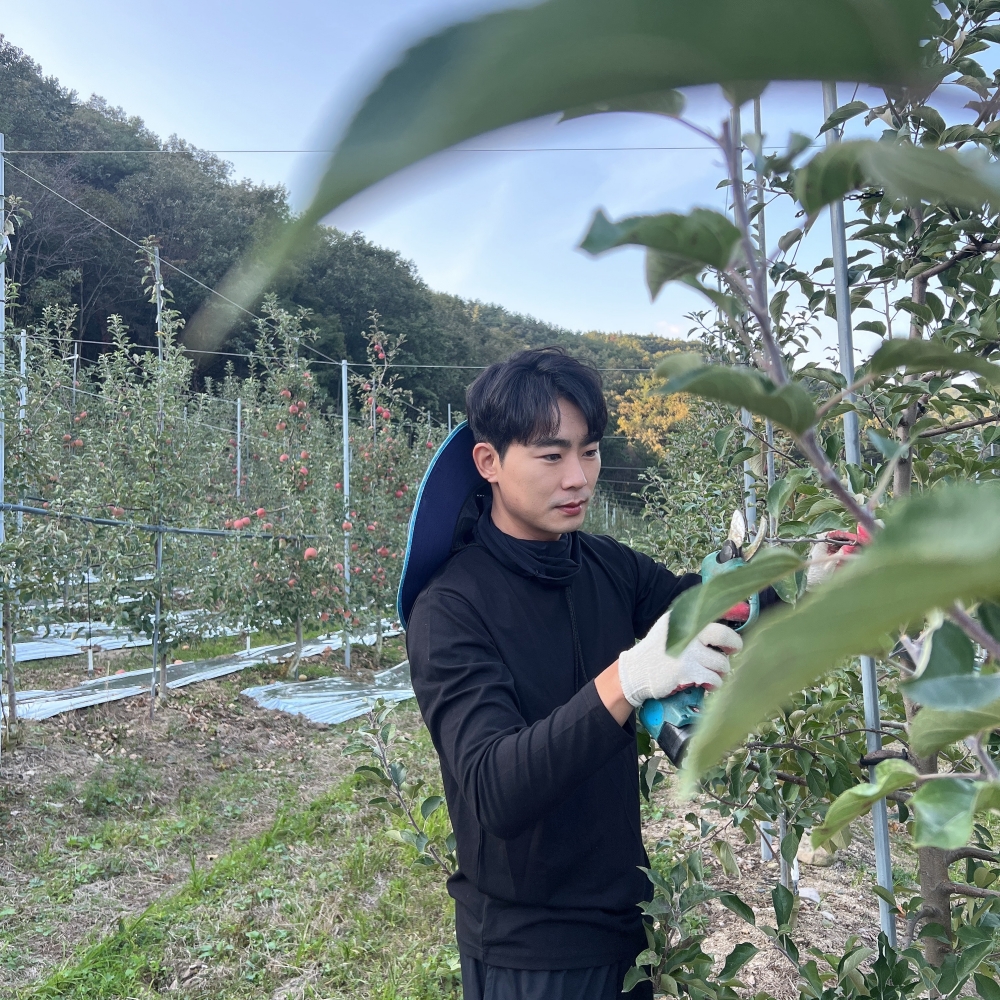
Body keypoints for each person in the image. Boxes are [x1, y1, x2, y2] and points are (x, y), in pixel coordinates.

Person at [406, 347, 743, 1000]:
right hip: (530, 955)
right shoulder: (450, 609)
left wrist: (788, 582)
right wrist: (628, 679)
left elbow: (704, 618)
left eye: (588, 452)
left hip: (624, 931)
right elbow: (495, 788)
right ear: (489, 463)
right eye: (551, 455)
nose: (578, 477)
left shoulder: (605, 566)